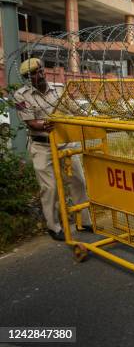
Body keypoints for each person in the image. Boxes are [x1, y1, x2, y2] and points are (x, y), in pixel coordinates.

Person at [13, 58, 93, 241]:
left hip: (65, 144)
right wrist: (45, 124)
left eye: (40, 70)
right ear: (28, 78)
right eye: (34, 73)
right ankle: (54, 226)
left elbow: (74, 110)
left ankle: (84, 221)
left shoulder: (59, 90)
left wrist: (92, 117)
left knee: (78, 181)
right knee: (50, 188)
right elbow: (32, 123)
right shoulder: (21, 96)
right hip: (42, 146)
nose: (39, 75)